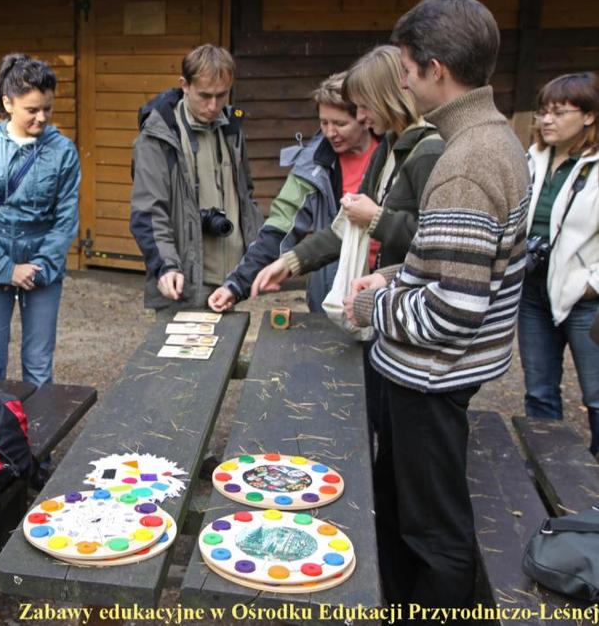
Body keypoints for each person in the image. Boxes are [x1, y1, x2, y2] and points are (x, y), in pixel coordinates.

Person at [342, 0, 530, 614]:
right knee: (409, 516)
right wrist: (395, 278)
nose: (404, 82)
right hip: (447, 372)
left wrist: (374, 306)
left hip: (432, 376)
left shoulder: (465, 163)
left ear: (435, 70)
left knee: (432, 535)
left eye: (405, 69)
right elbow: (459, 266)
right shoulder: (494, 136)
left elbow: (452, 312)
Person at [232, 46, 444, 437]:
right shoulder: (389, 151)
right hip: (366, 298)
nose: (360, 116)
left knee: (390, 423)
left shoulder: (426, 150)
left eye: (360, 108)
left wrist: (376, 219)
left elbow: (440, 241)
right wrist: (288, 263)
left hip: (402, 311)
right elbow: (337, 228)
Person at [207, 72, 377, 314]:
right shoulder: (315, 163)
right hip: (333, 295)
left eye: (339, 124)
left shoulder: (393, 150)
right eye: (323, 122)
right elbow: (280, 226)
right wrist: (236, 285)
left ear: (364, 117)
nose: (329, 133)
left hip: (384, 287)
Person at [0, 53, 80, 386]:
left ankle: (37, 435)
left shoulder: (63, 151)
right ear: (8, 103)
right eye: (32, 110)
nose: (41, 117)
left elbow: (66, 218)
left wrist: (39, 267)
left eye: (48, 109)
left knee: (39, 366)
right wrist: (5, 269)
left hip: (42, 271)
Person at [129, 44, 263, 309]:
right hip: (184, 280)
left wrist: (255, 260)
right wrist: (166, 266)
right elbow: (148, 212)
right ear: (185, 85)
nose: (213, 106)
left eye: (221, 95)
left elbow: (246, 197)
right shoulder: (158, 136)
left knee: (228, 348)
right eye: (205, 96)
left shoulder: (232, 129)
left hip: (230, 282)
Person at [520, 72, 599, 454]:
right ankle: (546, 470)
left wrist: (592, 285)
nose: (546, 120)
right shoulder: (532, 158)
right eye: (542, 112)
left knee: (597, 396)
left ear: (589, 116)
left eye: (558, 112)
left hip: (587, 300)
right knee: (539, 392)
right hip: (533, 291)